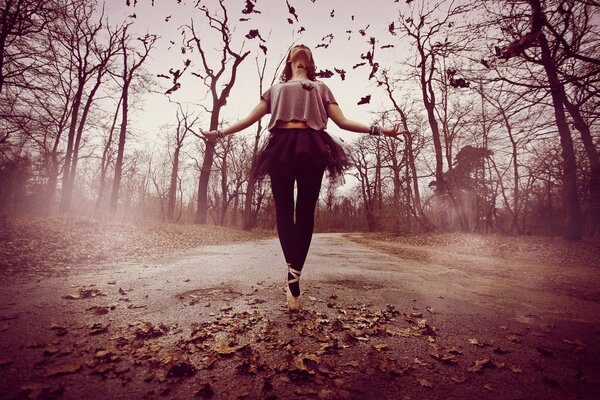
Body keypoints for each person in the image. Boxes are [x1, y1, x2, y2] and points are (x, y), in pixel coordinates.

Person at [204, 44, 404, 311]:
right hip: (280, 146)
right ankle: (293, 272)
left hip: (312, 144)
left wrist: (382, 131)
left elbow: (343, 122)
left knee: (306, 209)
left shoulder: (321, 88)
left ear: (310, 61)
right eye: (295, 48)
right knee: (284, 210)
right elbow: (249, 119)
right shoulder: (275, 90)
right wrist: (219, 133)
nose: (300, 48)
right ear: (288, 59)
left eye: (306, 49)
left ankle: (293, 273)